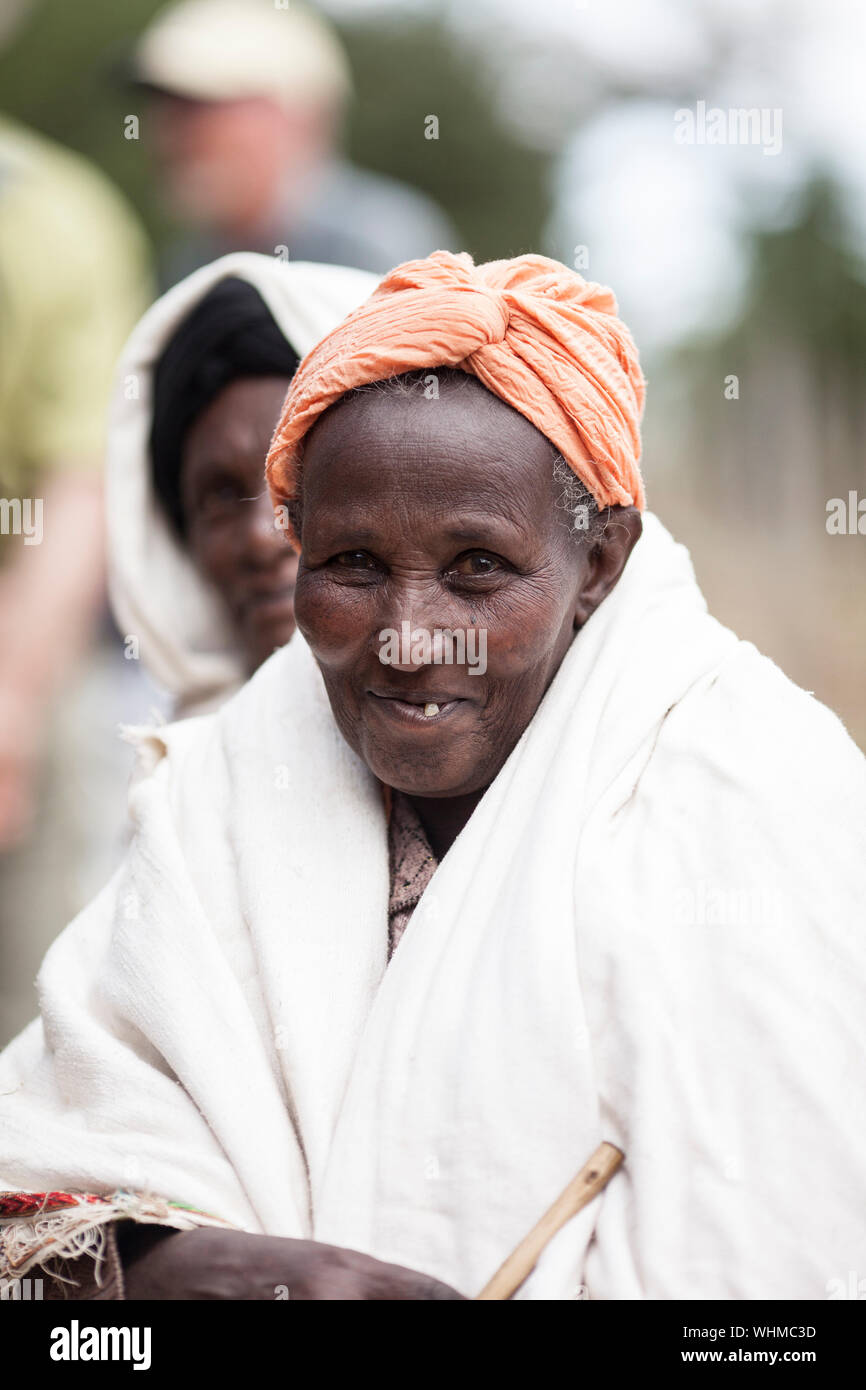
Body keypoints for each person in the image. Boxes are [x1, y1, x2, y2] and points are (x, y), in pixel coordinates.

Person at [1, 251, 864, 1301]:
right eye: (352, 564)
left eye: (478, 570)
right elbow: (47, 1237)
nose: (412, 641)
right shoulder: (225, 786)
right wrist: (168, 1266)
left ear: (598, 562)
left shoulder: (753, 791)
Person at [0, 113, 151, 1042]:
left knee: (33, 989)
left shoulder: (52, 218)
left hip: (21, 625)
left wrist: (13, 697)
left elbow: (75, 481)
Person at [106, 252, 377, 718]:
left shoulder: (524, 759)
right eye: (220, 497)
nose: (260, 535)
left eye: (301, 477)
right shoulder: (177, 779)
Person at [127, 0, 458, 283]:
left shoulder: (382, 245)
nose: (170, 135)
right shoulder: (187, 264)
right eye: (165, 112)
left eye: (199, 110)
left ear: (298, 118)